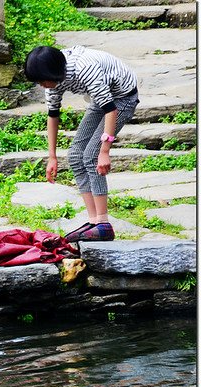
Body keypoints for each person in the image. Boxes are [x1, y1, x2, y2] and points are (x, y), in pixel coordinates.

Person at [24, 45, 139, 242]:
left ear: (54, 73)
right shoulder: (53, 80)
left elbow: (111, 110)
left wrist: (105, 151)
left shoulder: (85, 69)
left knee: (92, 155)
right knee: (76, 155)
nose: (42, 85)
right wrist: (52, 156)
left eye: (43, 81)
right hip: (101, 98)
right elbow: (53, 115)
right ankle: (93, 221)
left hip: (122, 98)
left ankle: (103, 223)